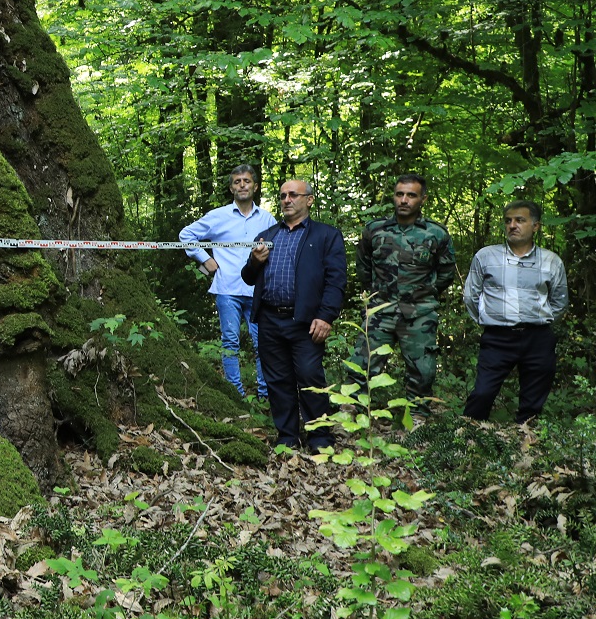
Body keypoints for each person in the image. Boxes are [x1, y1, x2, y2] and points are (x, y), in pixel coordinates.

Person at [241, 178, 347, 452]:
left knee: (310, 377)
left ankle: (320, 437)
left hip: (306, 322)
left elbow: (336, 280)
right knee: (277, 380)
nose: (286, 200)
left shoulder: (325, 236)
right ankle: (287, 436)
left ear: (309, 200)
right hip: (270, 320)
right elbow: (248, 277)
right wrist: (255, 260)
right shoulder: (267, 236)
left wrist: (326, 316)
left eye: (293, 195)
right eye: (282, 196)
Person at [347, 174, 457, 406]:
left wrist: (424, 294)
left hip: (419, 314)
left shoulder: (436, 233)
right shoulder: (375, 230)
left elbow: (446, 272)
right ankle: (352, 412)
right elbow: (364, 267)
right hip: (381, 310)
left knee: (422, 371)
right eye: (399, 194)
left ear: (423, 199)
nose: (404, 200)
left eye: (411, 195)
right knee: (362, 365)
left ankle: (416, 417)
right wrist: (377, 294)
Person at [461, 200, 568, 423]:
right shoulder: (486, 257)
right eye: (508, 221)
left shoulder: (551, 261)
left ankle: (527, 443)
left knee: (533, 399)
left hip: (538, 337)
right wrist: (489, 321)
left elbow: (559, 301)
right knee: (482, 392)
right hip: (498, 337)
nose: (513, 225)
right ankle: (467, 438)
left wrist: (538, 322)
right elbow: (471, 296)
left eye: (520, 220)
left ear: (536, 226)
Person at [180, 163, 275, 400]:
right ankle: (236, 395)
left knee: (262, 343)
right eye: (237, 182)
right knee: (230, 342)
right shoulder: (218, 216)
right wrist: (204, 259)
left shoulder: (267, 218)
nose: (242, 185)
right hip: (227, 289)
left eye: (246, 181)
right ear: (231, 188)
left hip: (257, 291)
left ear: (255, 185)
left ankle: (265, 396)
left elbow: (277, 249)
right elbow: (186, 235)